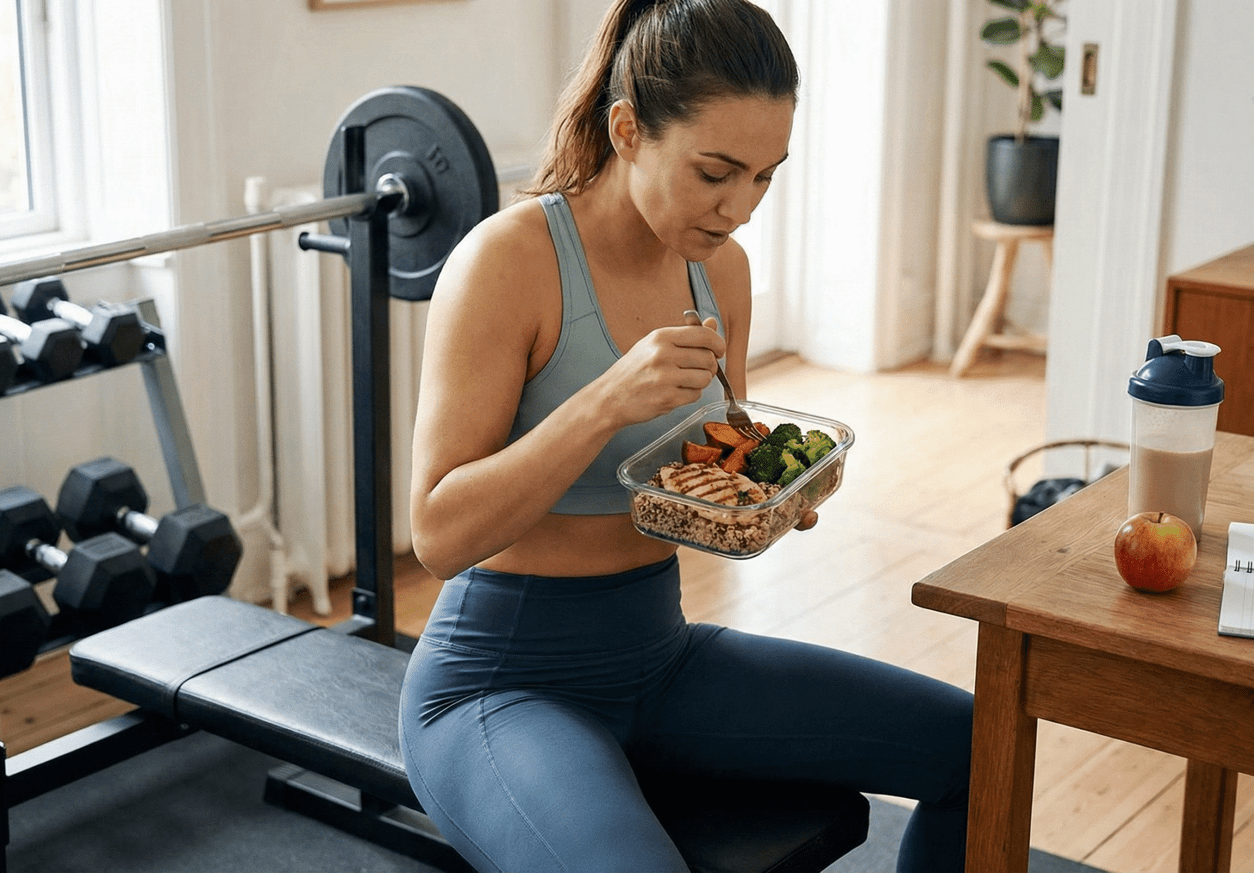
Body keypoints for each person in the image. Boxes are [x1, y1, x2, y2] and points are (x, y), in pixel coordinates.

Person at [400, 1, 973, 870]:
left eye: (765, 176)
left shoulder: (722, 272)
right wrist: (601, 400)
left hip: (661, 655)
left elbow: (712, 457)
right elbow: (438, 534)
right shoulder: (508, 262)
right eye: (715, 172)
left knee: (976, 745)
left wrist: (770, 497)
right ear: (627, 129)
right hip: (501, 683)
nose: (739, 207)